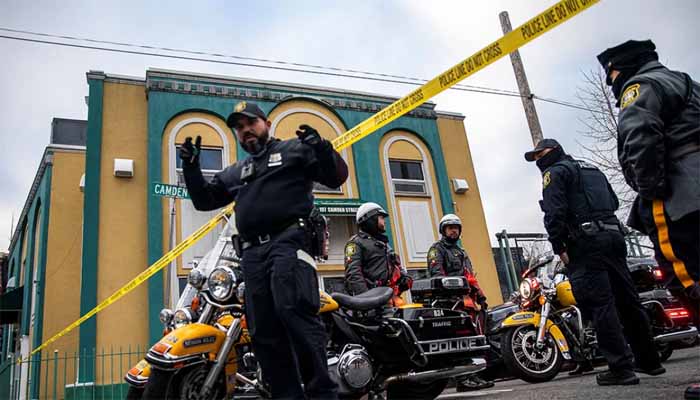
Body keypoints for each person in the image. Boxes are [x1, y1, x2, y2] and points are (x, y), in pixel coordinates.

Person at [180, 101, 348, 399]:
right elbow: (205, 200)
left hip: (289, 244)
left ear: (266, 124)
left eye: (251, 124)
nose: (246, 131)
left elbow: (336, 177)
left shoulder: (294, 150)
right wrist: (191, 169)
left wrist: (322, 147)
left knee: (294, 314)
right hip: (252, 256)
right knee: (263, 333)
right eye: (240, 128)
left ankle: (323, 394)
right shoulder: (236, 171)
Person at [524, 138, 664, 386]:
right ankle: (649, 360)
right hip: (613, 236)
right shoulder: (592, 169)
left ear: (554, 151)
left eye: (540, 154)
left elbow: (554, 213)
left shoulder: (554, 173)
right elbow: (614, 202)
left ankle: (621, 369)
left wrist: (559, 246)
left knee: (601, 306)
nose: (538, 160)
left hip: (585, 243)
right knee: (628, 301)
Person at [597, 39, 700, 330]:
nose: (612, 85)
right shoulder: (686, 82)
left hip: (679, 199)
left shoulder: (639, 88)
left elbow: (641, 139)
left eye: (612, 76)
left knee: (685, 275)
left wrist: (650, 189)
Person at [427, 213, 494, 391]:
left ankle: (472, 375)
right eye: (450, 228)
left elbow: (469, 277)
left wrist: (481, 295)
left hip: (466, 304)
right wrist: (453, 292)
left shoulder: (461, 252)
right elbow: (438, 277)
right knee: (458, 341)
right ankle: (463, 379)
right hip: (449, 305)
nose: (454, 231)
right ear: (443, 230)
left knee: (470, 340)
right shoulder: (437, 250)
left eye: (456, 228)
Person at [343, 202, 412, 302]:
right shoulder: (355, 243)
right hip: (372, 302)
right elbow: (353, 274)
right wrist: (367, 300)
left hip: (390, 299)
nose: (384, 222)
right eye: (381, 218)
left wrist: (403, 279)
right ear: (371, 219)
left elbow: (395, 268)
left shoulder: (384, 245)